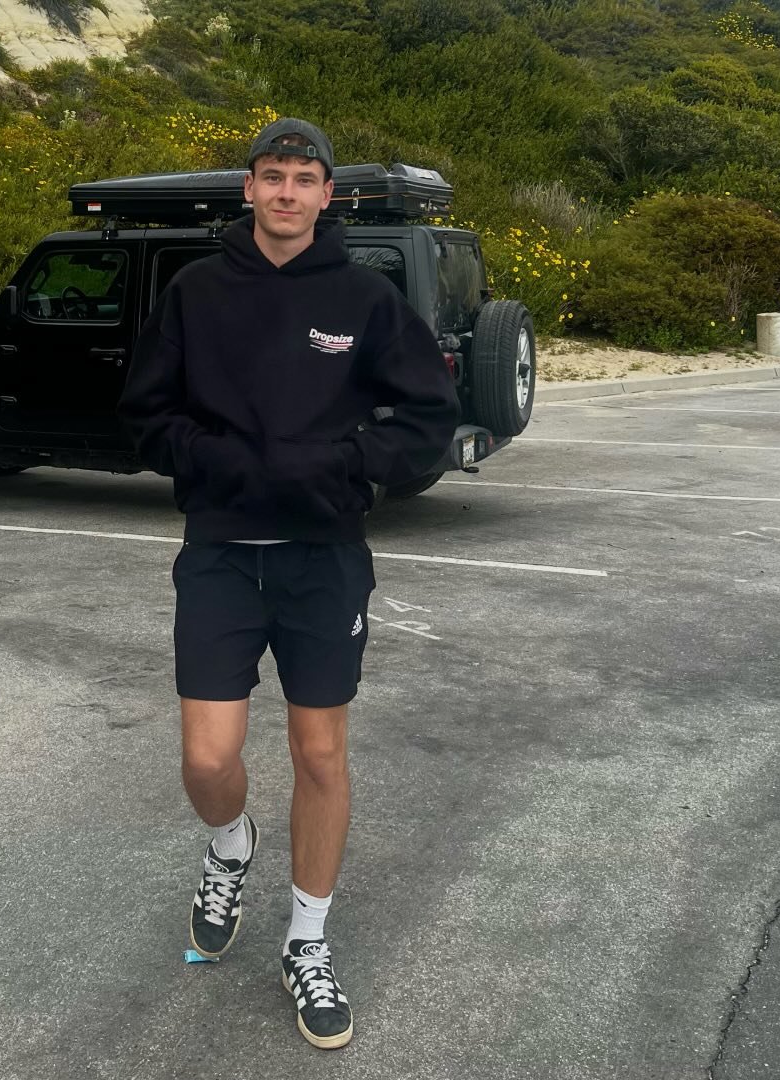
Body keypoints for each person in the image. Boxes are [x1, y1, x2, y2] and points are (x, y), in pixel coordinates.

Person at [117, 118, 460, 1050]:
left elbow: (428, 417)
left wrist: (343, 465)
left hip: (323, 557)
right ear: (249, 188)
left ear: (326, 195)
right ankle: (232, 845)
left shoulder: (365, 296)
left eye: (304, 180)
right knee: (207, 759)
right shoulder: (195, 292)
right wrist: (218, 462)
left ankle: (306, 940)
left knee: (319, 756)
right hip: (222, 551)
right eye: (272, 176)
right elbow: (145, 416)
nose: (286, 193)